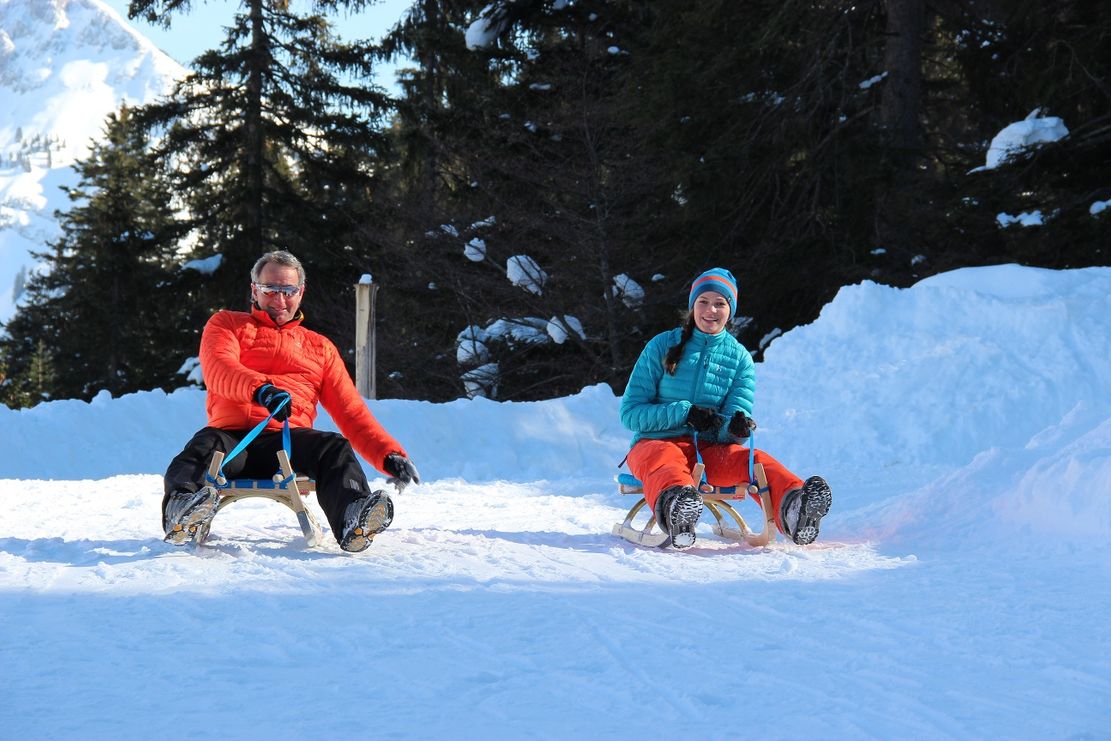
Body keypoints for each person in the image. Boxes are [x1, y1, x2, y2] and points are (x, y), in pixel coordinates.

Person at [162, 250, 420, 552]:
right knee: (201, 449)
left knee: (333, 447)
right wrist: (262, 391)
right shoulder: (226, 325)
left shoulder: (319, 348)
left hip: (286, 445)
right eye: (270, 290)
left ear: (301, 292)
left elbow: (350, 410)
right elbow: (220, 368)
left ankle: (354, 516)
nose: (279, 300)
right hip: (232, 442)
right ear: (254, 289)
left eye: (288, 291)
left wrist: (388, 455)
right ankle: (181, 509)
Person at [619, 267, 831, 550]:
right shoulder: (662, 346)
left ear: (729, 310)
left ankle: (795, 508)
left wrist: (734, 427)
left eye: (720, 303)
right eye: (703, 301)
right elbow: (630, 414)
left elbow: (733, 424)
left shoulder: (740, 359)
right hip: (653, 443)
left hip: (706, 452)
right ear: (693, 305)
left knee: (755, 461)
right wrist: (685, 412)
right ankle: (677, 508)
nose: (711, 310)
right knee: (665, 458)